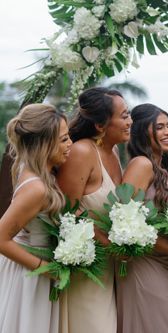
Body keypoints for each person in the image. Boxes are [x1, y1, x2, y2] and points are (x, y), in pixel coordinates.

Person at [57, 87, 132, 333]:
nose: (130, 121)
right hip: (86, 268)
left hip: (111, 267)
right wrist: (109, 243)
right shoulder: (82, 151)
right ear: (101, 125)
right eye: (124, 116)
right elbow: (67, 212)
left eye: (129, 114)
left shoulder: (113, 151)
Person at [116, 103, 168, 333]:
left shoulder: (167, 169)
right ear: (142, 131)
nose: (167, 132)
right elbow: (125, 224)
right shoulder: (141, 165)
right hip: (147, 266)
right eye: (159, 127)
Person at [0, 104, 72, 333]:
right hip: (28, 274)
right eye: (64, 140)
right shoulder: (37, 188)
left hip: (32, 268)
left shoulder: (32, 168)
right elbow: (1, 238)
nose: (70, 145)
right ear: (44, 143)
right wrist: (47, 268)